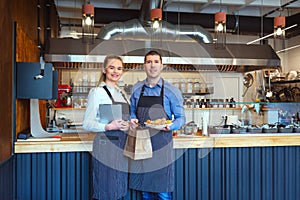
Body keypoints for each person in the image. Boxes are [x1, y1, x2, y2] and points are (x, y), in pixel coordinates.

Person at [129, 50, 186, 200]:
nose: (152, 65)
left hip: (162, 146)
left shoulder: (172, 91)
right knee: (145, 193)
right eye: (149, 62)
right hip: (142, 145)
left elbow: (181, 118)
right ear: (144, 66)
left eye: (156, 62)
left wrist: (170, 126)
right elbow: (132, 112)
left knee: (163, 193)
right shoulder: (136, 89)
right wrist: (133, 119)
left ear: (162, 66)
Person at [82, 55, 130, 200]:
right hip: (105, 145)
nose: (116, 71)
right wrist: (109, 126)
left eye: (119, 68)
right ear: (104, 70)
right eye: (112, 67)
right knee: (106, 189)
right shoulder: (97, 92)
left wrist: (128, 124)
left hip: (122, 144)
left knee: (119, 188)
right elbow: (87, 123)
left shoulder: (122, 93)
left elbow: (123, 119)